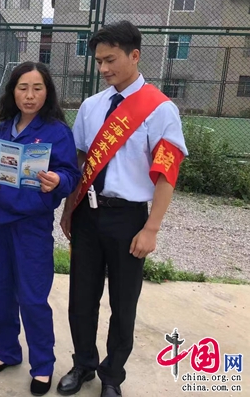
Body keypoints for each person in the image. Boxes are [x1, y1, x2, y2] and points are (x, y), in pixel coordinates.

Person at [57, 21, 188, 397]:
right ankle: (83, 363)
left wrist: (151, 228)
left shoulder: (160, 109)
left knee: (123, 303)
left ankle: (112, 376)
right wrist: (68, 210)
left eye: (110, 60)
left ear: (135, 55)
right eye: (99, 61)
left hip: (128, 218)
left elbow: (166, 174)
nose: (103, 68)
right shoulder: (91, 106)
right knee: (81, 297)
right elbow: (81, 162)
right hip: (87, 215)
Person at [0, 62, 80, 397]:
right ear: (13, 91)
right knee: (1, 293)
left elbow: (71, 174)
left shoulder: (56, 132)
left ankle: (43, 366)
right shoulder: (2, 129)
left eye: (37, 88)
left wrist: (58, 180)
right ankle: (7, 352)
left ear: (47, 92)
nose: (29, 95)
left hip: (31, 228)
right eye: (23, 87)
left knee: (33, 298)